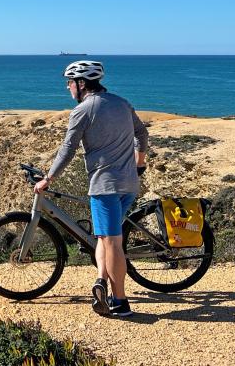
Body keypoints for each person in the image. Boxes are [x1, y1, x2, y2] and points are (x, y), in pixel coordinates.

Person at [33, 60, 148, 317]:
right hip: (129, 183)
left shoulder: (84, 110)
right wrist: (139, 164)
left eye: (70, 83)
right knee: (103, 237)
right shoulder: (121, 102)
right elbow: (141, 133)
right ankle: (101, 280)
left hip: (105, 186)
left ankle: (120, 301)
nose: (68, 87)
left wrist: (48, 178)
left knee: (112, 241)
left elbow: (68, 148)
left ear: (81, 83)